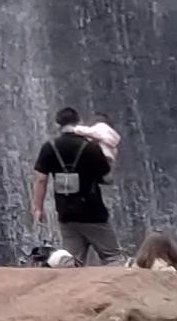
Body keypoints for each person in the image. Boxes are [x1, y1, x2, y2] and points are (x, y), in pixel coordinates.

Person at [29, 105, 117, 264]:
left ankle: (71, 288)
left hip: (65, 213)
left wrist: (38, 208)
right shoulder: (91, 147)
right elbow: (107, 179)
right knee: (112, 257)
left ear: (58, 126)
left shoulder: (49, 147)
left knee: (72, 262)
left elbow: (41, 179)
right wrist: (110, 159)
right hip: (93, 212)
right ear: (79, 123)